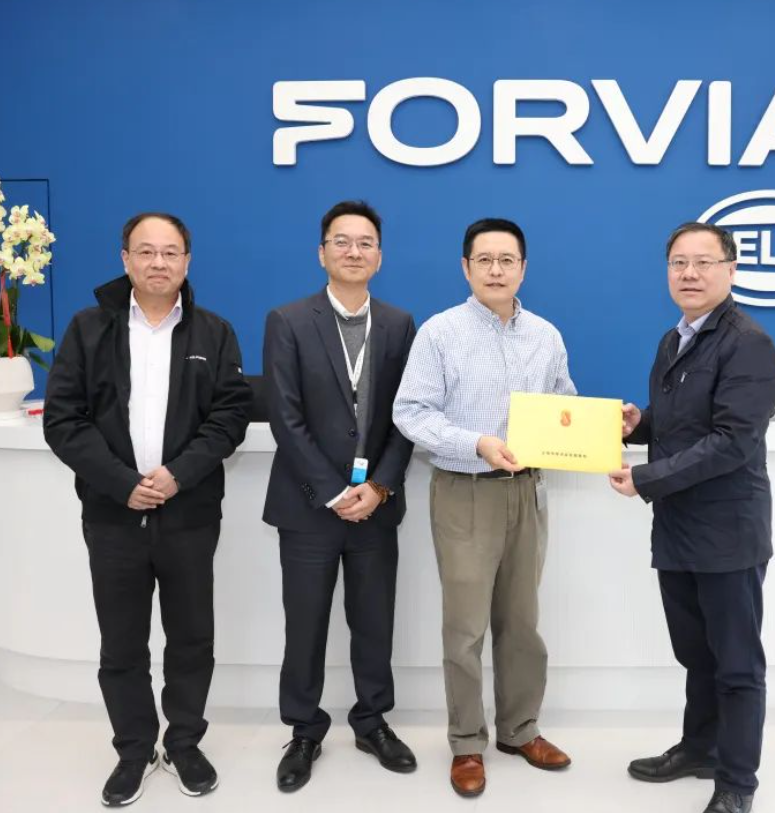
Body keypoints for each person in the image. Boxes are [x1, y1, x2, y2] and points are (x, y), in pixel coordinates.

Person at [44, 212, 253, 807]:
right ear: (126, 259)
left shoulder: (214, 332)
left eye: (170, 252)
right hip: (113, 516)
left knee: (191, 639)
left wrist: (178, 474)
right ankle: (134, 750)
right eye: (146, 251)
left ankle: (184, 743)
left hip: (189, 514)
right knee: (122, 644)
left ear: (187, 261)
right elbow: (63, 419)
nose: (159, 262)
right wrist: (122, 483)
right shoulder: (88, 329)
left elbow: (230, 416)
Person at [393, 218, 575, 798]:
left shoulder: (545, 334)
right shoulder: (440, 333)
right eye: (485, 260)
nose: (496, 270)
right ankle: (467, 742)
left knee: (522, 622)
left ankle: (520, 730)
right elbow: (411, 412)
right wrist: (477, 443)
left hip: (528, 490)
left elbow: (564, 404)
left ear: (523, 267)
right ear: (466, 267)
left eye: (507, 260)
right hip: (465, 489)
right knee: (465, 627)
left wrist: (602, 424)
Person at [608, 222, 775, 813]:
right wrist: (641, 423)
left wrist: (646, 479)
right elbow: (684, 422)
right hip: (678, 526)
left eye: (703, 262)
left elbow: (732, 442)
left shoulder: (748, 343)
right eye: (678, 263)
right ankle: (699, 748)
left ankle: (736, 783)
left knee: (736, 664)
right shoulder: (674, 339)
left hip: (727, 532)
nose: (689, 273)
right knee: (696, 654)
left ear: (730, 270)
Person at [263, 200, 419, 791]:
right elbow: (284, 416)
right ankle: (304, 730)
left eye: (365, 243)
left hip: (375, 507)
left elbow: (408, 416)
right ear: (322, 252)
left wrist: (379, 486)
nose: (354, 251)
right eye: (342, 241)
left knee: (374, 622)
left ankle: (372, 721)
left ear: (380, 256)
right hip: (308, 507)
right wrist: (332, 492)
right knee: (304, 625)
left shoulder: (400, 324)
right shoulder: (288, 320)